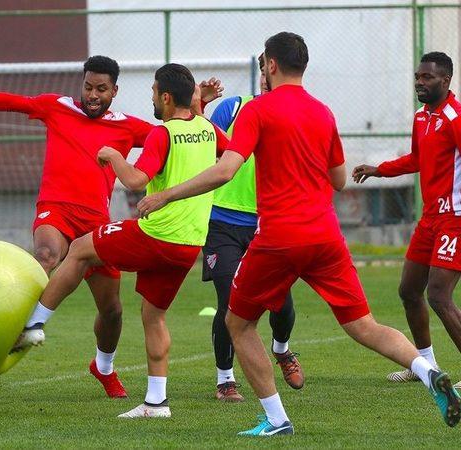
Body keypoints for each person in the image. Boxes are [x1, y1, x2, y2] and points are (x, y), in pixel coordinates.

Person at [138, 32, 460, 435]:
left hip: (278, 238)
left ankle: (276, 419)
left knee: (238, 323)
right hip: (326, 236)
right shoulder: (323, 112)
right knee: (364, 325)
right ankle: (428, 371)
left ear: (271, 65)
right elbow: (339, 180)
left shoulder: (258, 110)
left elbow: (224, 170)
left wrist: (165, 194)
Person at [0, 56, 221, 398]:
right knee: (46, 254)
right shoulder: (57, 107)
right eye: (88, 86)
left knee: (112, 311)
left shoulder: (130, 127)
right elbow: (14, 102)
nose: (92, 95)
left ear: (114, 91)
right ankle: (22, 326)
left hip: (95, 221)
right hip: (55, 211)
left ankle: (103, 367)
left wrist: (197, 104)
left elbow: (183, 132)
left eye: (101, 89)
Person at [23, 63, 229, 418]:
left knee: (79, 249)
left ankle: (31, 324)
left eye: (153, 92)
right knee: (153, 316)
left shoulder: (162, 134)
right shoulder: (208, 130)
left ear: (166, 97)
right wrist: (200, 111)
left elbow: (135, 181)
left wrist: (114, 156)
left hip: (156, 234)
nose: (150, 97)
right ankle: (155, 403)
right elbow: (228, 155)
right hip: (189, 244)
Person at [353, 52, 461, 389]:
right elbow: (417, 158)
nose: (419, 82)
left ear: (445, 80)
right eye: (417, 76)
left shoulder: (456, 118)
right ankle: (425, 366)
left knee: (439, 296)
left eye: (427, 77)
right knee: (408, 291)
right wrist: (378, 170)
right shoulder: (421, 117)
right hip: (430, 218)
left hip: (454, 219)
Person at [203, 53, 302, 402]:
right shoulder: (233, 108)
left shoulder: (294, 114)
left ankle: (282, 348)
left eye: (269, 70)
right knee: (228, 300)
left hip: (270, 223)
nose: (265, 77)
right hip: (223, 221)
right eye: (262, 70)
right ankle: (225, 379)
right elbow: (200, 141)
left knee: (282, 304)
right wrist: (200, 104)